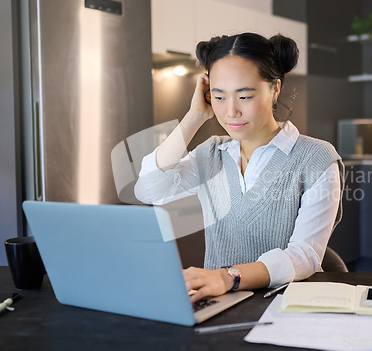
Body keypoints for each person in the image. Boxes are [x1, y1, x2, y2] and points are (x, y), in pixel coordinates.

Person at [135, 32, 344, 303]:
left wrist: (227, 277)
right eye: (219, 97)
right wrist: (194, 117)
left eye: (244, 97)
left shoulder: (316, 158)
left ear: (275, 89)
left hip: (283, 306)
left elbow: (304, 256)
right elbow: (149, 191)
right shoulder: (212, 153)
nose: (231, 111)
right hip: (215, 305)